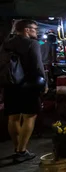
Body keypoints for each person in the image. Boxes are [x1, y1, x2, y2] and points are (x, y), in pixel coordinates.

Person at [1, 20, 47, 162]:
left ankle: (17, 148)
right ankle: (22, 150)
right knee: (29, 116)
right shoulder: (32, 43)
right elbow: (38, 66)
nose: (36, 31)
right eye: (34, 29)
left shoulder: (6, 43)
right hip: (28, 84)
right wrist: (44, 83)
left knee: (13, 117)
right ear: (27, 30)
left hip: (10, 84)